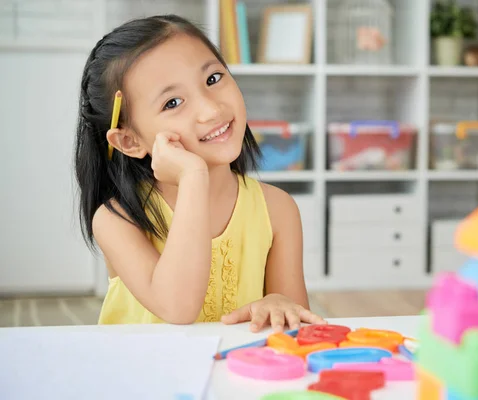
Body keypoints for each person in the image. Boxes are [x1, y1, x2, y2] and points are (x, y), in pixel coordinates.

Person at [74, 14, 325, 332]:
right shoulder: (115, 218)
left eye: (213, 79)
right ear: (129, 140)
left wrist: (278, 302)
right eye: (173, 102)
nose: (211, 109)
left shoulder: (278, 210)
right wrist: (192, 177)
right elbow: (177, 308)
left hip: (231, 373)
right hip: (141, 375)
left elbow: (296, 322)